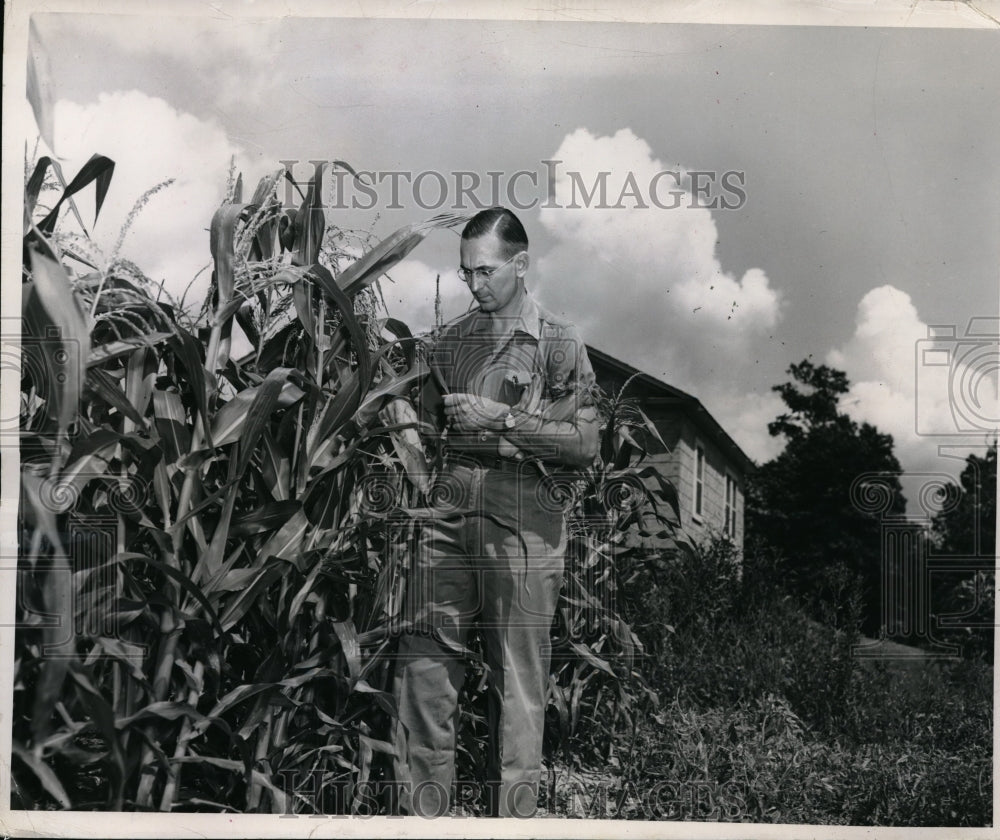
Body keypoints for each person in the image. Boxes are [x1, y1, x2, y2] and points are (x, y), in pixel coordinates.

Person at [389, 206, 599, 818]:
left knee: (518, 684)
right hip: (448, 514)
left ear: (520, 264)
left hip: (525, 520)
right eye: (465, 274)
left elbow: (585, 444)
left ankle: (514, 825)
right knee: (423, 669)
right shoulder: (449, 342)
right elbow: (419, 430)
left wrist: (503, 418)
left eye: (484, 272)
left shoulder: (559, 343)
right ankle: (421, 823)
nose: (474, 285)